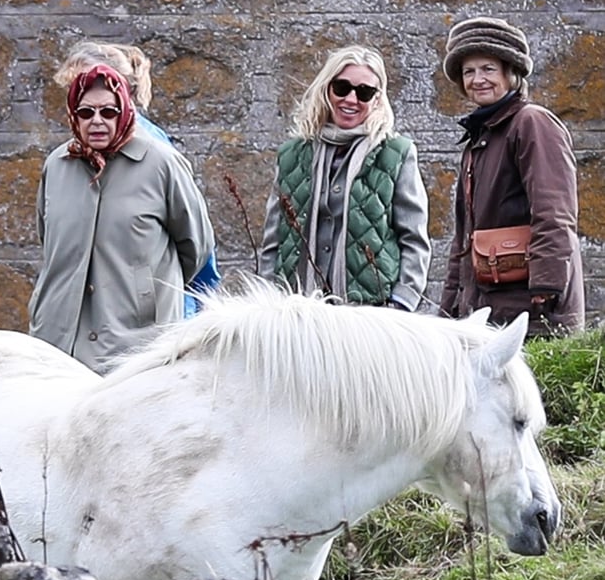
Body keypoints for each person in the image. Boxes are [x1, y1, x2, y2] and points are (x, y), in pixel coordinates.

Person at [28, 63, 215, 373]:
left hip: (137, 341)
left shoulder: (162, 164)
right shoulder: (56, 166)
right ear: (74, 115)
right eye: (86, 113)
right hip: (60, 341)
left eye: (109, 112)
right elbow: (48, 238)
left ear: (125, 110)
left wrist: (145, 291)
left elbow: (196, 246)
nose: (97, 121)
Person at [439, 16, 585, 335]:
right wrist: (449, 309)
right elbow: (464, 241)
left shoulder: (531, 123)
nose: (478, 79)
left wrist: (546, 292)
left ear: (511, 72)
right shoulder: (479, 138)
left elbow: (555, 214)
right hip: (489, 312)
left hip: (531, 313)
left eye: (488, 68)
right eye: (469, 71)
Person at [53, 39, 221, 316]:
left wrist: (155, 296)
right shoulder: (64, 162)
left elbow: (198, 248)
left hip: (147, 321)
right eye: (78, 88)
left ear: (124, 91)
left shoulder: (156, 153)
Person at [260, 44, 431, 311]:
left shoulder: (396, 154)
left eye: (364, 92)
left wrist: (401, 302)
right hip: (297, 311)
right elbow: (274, 239)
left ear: (377, 99)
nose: (351, 99)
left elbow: (414, 238)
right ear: (327, 89)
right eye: (342, 87)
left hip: (370, 313)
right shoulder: (292, 155)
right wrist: (267, 297)